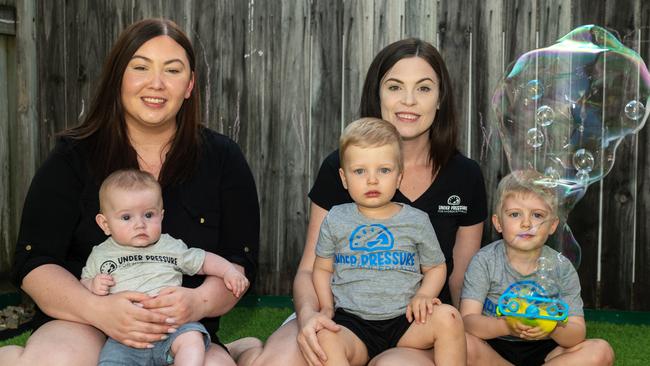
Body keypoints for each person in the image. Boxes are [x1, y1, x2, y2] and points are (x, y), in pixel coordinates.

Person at [0, 18, 259, 366]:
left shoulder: (222, 158)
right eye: (140, 67)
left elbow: (238, 262)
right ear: (118, 77)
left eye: (172, 70)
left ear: (189, 84)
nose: (156, 83)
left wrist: (195, 303)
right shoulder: (72, 156)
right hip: (83, 320)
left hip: (180, 327)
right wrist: (98, 308)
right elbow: (35, 260)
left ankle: (234, 350)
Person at [232, 37, 486, 366]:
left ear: (441, 99)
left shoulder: (464, 176)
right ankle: (248, 351)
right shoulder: (341, 169)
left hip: (411, 325)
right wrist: (312, 316)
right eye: (395, 87)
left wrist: (466, 331)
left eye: (423, 88)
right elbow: (310, 269)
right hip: (343, 317)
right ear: (376, 95)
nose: (408, 100)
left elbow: (462, 278)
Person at [312, 117, 465, 366]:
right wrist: (327, 308)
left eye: (384, 170)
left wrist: (425, 295)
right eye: (360, 171)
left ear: (399, 176)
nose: (372, 180)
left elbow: (436, 266)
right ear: (344, 178)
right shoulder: (336, 218)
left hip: (405, 320)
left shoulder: (416, 220)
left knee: (449, 317)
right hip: (352, 323)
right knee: (326, 340)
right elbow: (322, 268)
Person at [81, 169, 249, 365]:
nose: (140, 225)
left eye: (148, 215)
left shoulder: (170, 247)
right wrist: (92, 284)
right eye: (127, 217)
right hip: (126, 336)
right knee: (111, 360)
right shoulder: (101, 254)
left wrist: (228, 270)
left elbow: (203, 260)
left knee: (192, 338)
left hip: (173, 327)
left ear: (161, 216)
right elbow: (82, 283)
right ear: (105, 224)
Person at [461, 170, 614, 365]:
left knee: (600, 351)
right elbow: (467, 321)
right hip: (494, 346)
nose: (526, 223)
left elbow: (577, 333)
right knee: (461, 343)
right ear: (498, 223)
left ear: (552, 225)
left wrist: (552, 327)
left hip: (546, 349)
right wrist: (507, 325)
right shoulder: (485, 261)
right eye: (515, 214)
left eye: (537, 215)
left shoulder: (562, 267)